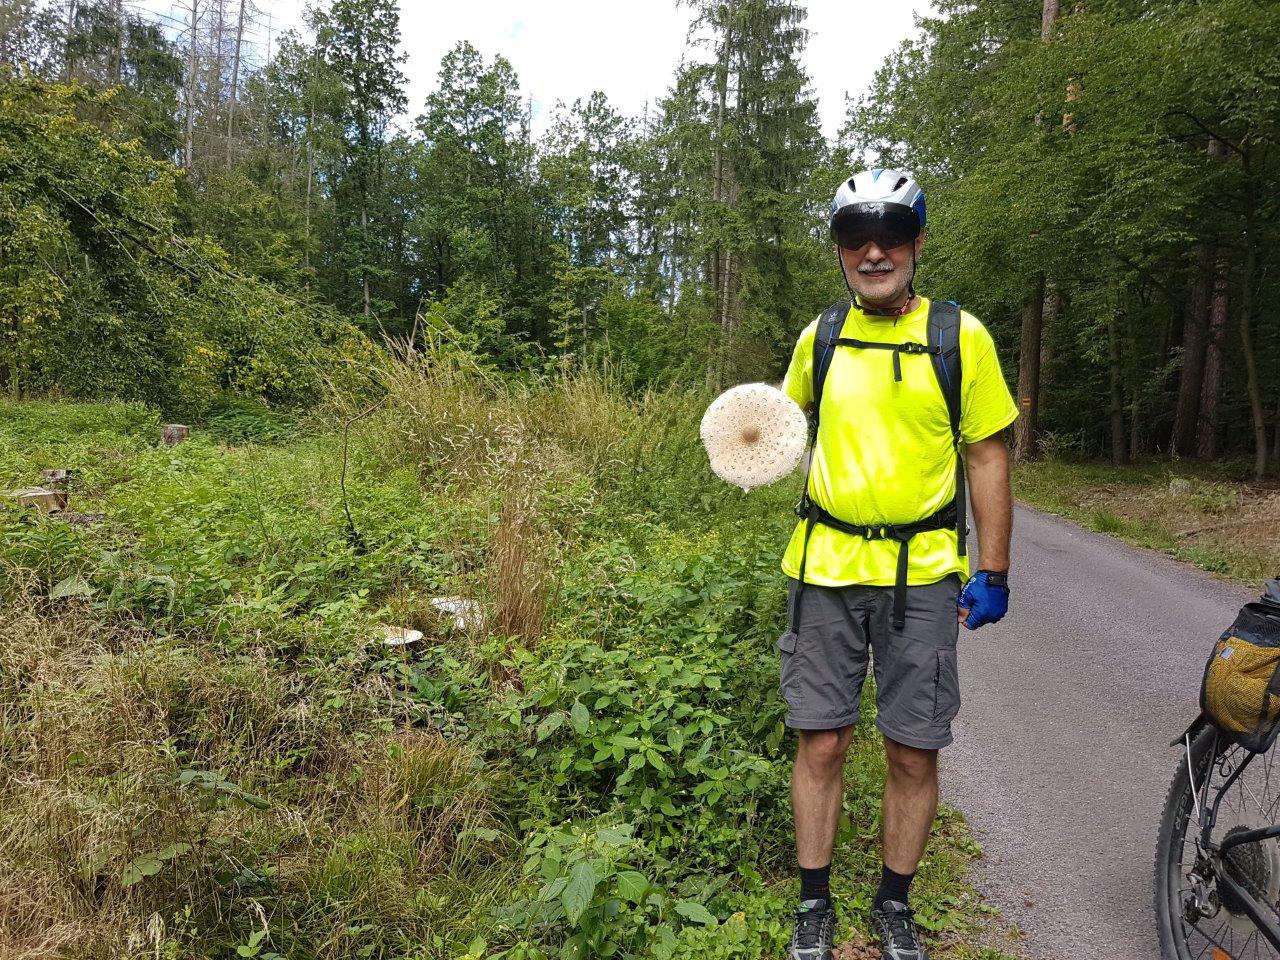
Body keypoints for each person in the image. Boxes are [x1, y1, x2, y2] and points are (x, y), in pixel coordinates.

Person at [780, 169, 1018, 960]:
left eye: (890, 235)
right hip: (825, 568)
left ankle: (895, 903)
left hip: (923, 574)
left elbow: (986, 455)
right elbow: (779, 429)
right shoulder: (820, 337)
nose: (873, 251)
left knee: (914, 747)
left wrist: (994, 569)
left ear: (916, 243)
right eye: (856, 236)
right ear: (841, 250)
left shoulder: (960, 336)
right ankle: (814, 903)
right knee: (821, 742)